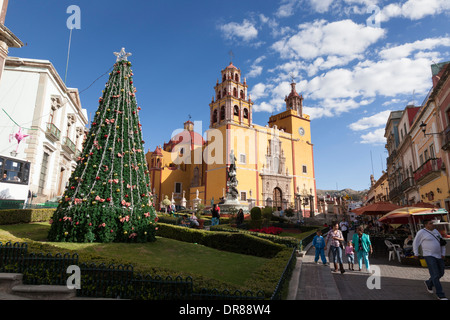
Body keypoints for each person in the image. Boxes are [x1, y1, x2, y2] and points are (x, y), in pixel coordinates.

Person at [413, 219, 447, 300]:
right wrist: (416, 253)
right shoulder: (421, 232)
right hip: (429, 255)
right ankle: (440, 294)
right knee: (435, 274)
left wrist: (443, 253)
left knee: (441, 273)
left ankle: (429, 282)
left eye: (432, 223)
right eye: (430, 223)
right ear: (426, 225)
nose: (433, 224)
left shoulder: (436, 231)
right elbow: (416, 242)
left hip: (438, 255)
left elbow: (442, 242)